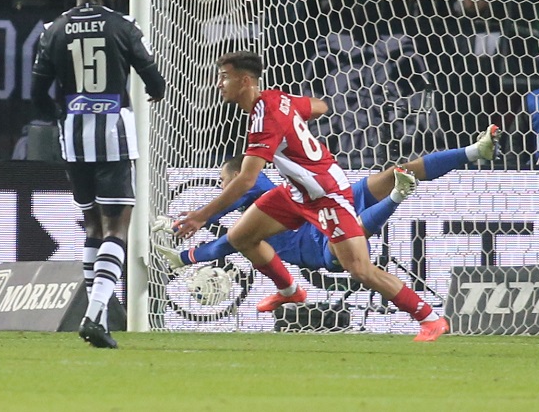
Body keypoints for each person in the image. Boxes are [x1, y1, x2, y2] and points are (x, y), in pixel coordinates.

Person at [172, 50, 450, 341]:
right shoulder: (276, 99)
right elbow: (320, 107)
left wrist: (201, 216)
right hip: (297, 192)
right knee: (241, 237)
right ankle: (290, 292)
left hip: (326, 194)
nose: (219, 84)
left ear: (244, 81)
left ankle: (429, 318)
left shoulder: (264, 119)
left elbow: (246, 179)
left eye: (224, 77)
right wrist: (293, 122)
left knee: (360, 270)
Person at [30, 0, 166, 349]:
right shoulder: (122, 25)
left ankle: (98, 317)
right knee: (116, 228)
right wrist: (153, 91)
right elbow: (154, 81)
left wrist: (63, 115)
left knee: (92, 227)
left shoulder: (53, 29)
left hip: (73, 137)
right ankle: (93, 315)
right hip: (113, 135)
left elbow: (37, 93)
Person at [152, 127, 500, 275]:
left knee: (391, 173)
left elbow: (238, 196)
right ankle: (397, 196)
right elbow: (226, 241)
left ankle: (473, 151)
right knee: (348, 232)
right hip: (322, 246)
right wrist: (185, 251)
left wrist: (191, 227)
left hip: (327, 206)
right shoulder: (251, 224)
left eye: (223, 181)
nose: (221, 187)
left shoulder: (256, 187)